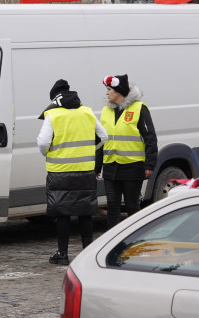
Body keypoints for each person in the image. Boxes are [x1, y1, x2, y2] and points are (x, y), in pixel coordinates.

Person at [37, 79, 107, 265]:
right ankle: (88, 255)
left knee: (63, 213)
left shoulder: (53, 114)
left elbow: (43, 143)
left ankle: (62, 254)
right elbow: (103, 136)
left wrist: (49, 153)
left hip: (60, 171)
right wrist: (89, 150)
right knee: (85, 212)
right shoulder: (87, 112)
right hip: (85, 170)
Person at [98, 74, 158, 229]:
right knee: (112, 205)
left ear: (119, 92)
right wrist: (97, 167)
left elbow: (150, 138)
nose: (106, 93)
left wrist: (150, 165)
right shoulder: (106, 111)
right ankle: (111, 242)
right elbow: (100, 141)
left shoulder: (139, 109)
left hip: (132, 166)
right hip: (111, 165)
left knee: (132, 205)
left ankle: (134, 241)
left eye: (109, 89)